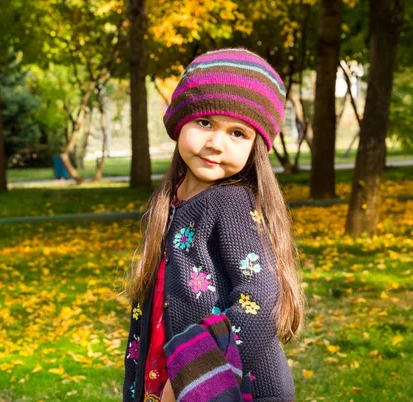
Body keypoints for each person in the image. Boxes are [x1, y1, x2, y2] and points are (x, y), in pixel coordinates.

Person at [122, 48, 305, 402]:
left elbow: (260, 301)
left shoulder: (231, 202)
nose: (215, 144)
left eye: (238, 133)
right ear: (180, 122)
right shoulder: (172, 200)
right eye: (205, 123)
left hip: (229, 388)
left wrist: (195, 379)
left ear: (256, 148)